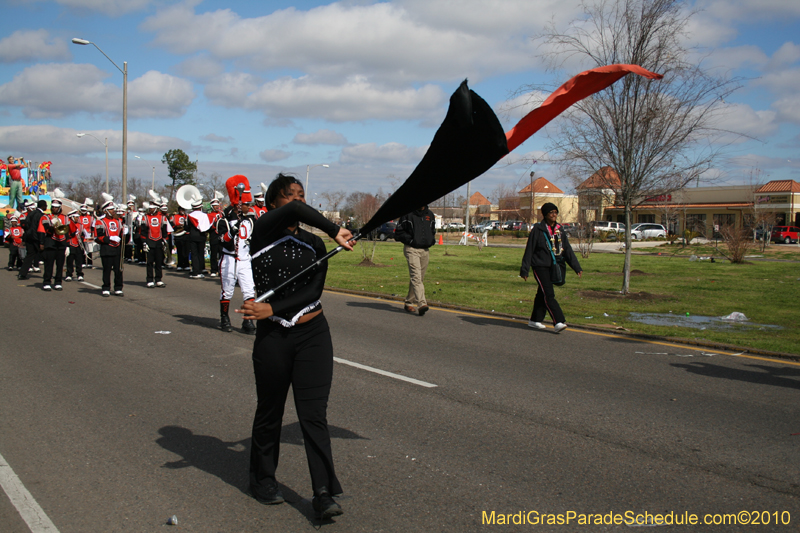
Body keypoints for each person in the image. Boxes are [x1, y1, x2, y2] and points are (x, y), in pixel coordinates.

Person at [236, 173, 354, 519]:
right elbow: (290, 215)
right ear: (272, 204)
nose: (298, 201)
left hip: (313, 334)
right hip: (273, 338)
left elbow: (312, 292)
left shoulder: (315, 245)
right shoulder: (260, 234)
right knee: (270, 411)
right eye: (290, 196)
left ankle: (323, 492)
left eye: (302, 195)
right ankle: (261, 478)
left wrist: (270, 307)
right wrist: (334, 228)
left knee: (313, 415)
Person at [519, 202, 582, 333]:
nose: (554, 215)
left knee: (542, 293)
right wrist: (524, 270)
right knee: (549, 293)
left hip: (553, 266)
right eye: (551, 213)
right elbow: (529, 250)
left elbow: (567, 250)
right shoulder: (538, 230)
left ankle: (535, 320)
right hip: (539, 266)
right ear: (545, 215)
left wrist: (576, 267)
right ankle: (559, 321)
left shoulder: (560, 230)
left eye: (555, 212)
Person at [216, 175, 257, 334]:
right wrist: (232, 231)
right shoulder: (224, 220)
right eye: (246, 204)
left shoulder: (250, 221)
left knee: (249, 290)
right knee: (227, 290)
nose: (249, 207)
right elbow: (222, 241)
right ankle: (224, 318)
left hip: (245, 260)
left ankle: (248, 321)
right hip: (229, 259)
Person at [394, 205, 436, 316]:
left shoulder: (430, 215)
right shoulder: (408, 214)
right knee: (416, 276)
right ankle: (422, 303)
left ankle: (409, 302)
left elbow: (432, 230)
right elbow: (398, 233)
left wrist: (431, 240)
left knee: (419, 278)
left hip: (425, 250)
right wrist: (411, 240)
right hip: (411, 249)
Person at [94, 197, 125, 297]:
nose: (113, 211)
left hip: (117, 248)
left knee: (118, 270)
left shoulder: (119, 221)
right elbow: (98, 237)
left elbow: (121, 236)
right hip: (107, 248)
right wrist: (110, 238)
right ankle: (106, 287)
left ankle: (118, 288)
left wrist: (125, 233)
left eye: (113, 209)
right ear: (106, 211)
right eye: (111, 209)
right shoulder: (100, 222)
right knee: (107, 270)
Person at [140, 200, 170, 288]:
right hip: (150, 241)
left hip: (159, 242)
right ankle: (149, 280)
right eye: (150, 208)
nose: (150, 210)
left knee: (159, 262)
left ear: (156, 208)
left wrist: (165, 241)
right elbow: (143, 232)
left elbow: (164, 231)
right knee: (149, 262)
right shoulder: (145, 217)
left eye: (152, 208)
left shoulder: (162, 217)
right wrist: (144, 243)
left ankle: (158, 279)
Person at [186, 197, 209, 279]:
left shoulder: (190, 215)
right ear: (200, 206)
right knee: (200, 254)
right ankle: (200, 270)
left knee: (194, 254)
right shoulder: (204, 215)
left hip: (192, 236)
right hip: (202, 236)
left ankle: (195, 271)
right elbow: (207, 227)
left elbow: (187, 227)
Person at [64, 211, 85, 282]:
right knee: (70, 261)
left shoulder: (81, 225)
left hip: (78, 245)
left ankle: (79, 274)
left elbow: (82, 234)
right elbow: (66, 235)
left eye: (78, 217)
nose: (77, 218)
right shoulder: (68, 225)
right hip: (71, 244)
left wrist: (82, 239)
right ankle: (69, 274)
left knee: (79, 260)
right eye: (76, 217)